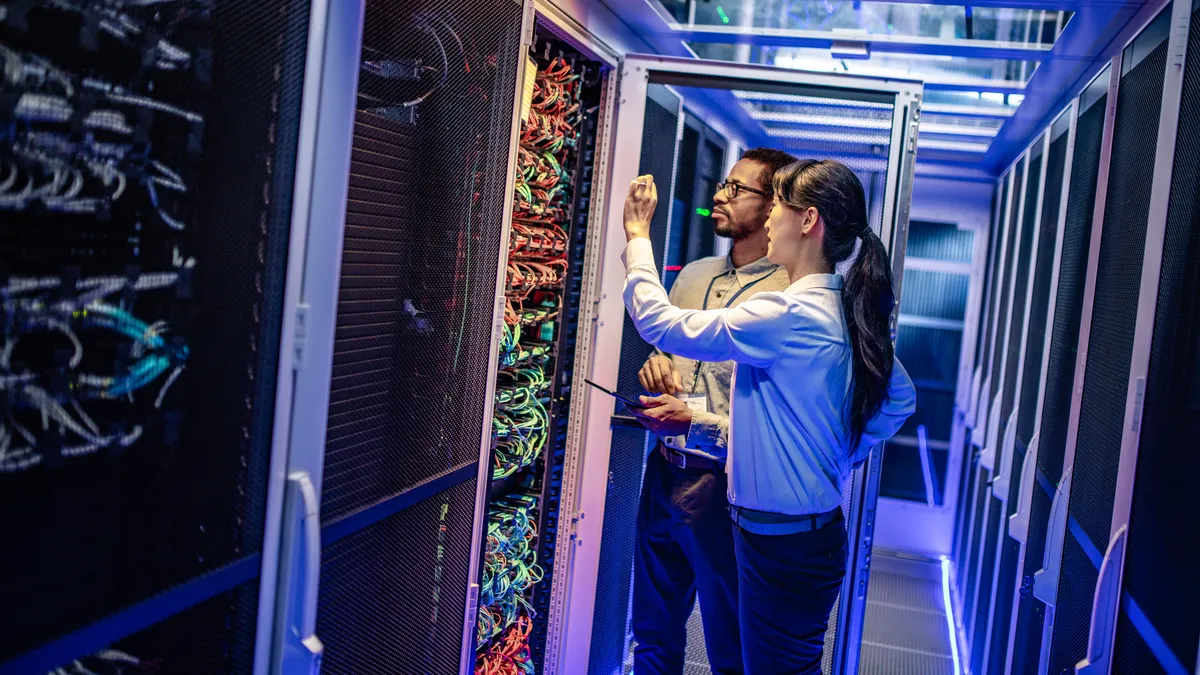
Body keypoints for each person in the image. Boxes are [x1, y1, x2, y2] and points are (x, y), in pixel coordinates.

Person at [621, 160, 916, 675]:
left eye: (779, 203)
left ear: (808, 221)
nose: (772, 216)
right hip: (795, 537)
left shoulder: (786, 313)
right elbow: (900, 399)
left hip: (782, 544)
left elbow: (657, 321)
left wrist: (637, 235)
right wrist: (839, 452)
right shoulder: (839, 311)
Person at [628, 149, 797, 675]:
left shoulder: (785, 295)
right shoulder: (694, 275)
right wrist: (657, 368)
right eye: (723, 183)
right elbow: (665, 351)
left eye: (737, 188)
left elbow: (775, 422)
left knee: (729, 645)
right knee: (652, 633)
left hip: (724, 490)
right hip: (663, 473)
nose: (719, 195)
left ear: (772, 208)